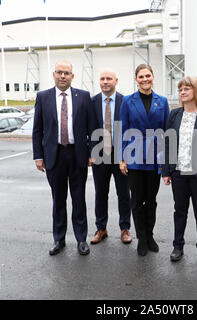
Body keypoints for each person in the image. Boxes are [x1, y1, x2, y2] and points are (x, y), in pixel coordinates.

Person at [32, 60, 95, 256]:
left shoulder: (83, 97)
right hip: (54, 155)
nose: (62, 76)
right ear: (53, 74)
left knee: (79, 199)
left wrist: (93, 153)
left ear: (72, 76)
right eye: (59, 72)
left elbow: (92, 128)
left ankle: (81, 239)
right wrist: (38, 156)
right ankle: (59, 239)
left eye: (66, 73)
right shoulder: (43, 97)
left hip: (78, 155)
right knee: (58, 199)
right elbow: (37, 130)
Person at [162, 76, 197, 265]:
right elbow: (168, 142)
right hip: (178, 172)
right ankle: (178, 246)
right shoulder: (174, 114)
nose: (183, 92)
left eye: (187, 88)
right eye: (180, 89)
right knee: (180, 211)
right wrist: (166, 171)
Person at [119, 64, 170, 256]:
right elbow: (122, 130)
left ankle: (150, 235)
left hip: (155, 158)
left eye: (147, 75)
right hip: (134, 157)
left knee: (151, 200)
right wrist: (121, 159)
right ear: (136, 79)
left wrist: (167, 160)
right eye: (141, 76)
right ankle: (141, 237)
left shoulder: (162, 101)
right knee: (137, 200)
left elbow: (167, 132)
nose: (145, 79)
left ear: (153, 76)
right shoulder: (127, 101)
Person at [90, 69, 132, 245]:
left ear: (116, 80)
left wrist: (128, 155)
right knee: (101, 193)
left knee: (123, 193)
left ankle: (125, 228)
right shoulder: (91, 102)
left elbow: (130, 128)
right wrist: (89, 153)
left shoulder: (125, 101)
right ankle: (101, 228)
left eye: (109, 79)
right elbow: (86, 129)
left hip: (120, 154)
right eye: (102, 79)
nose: (105, 82)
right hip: (99, 153)